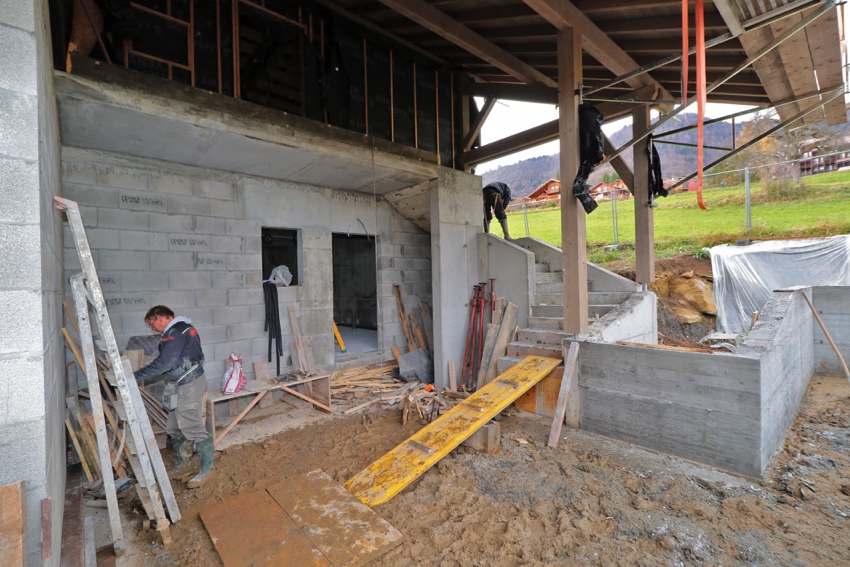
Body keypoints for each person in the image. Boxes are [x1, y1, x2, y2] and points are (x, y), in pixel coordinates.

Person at [134, 305, 213, 489]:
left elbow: (165, 363)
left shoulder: (176, 332)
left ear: (160, 318)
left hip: (189, 383)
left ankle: (207, 469)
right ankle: (182, 463)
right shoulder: (183, 329)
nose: (153, 328)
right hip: (180, 382)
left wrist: (135, 376)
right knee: (173, 426)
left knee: (191, 425)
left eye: (152, 324)